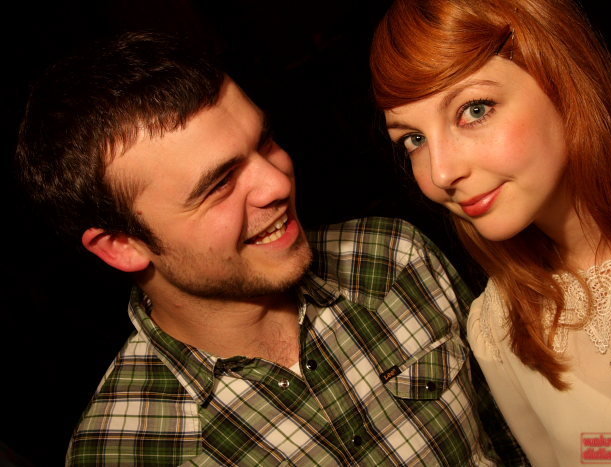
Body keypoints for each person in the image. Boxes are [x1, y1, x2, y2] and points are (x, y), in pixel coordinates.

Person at [14, 31, 529, 465]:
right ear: (122, 246)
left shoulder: (394, 256)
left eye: (263, 142)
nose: (277, 183)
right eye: (219, 184)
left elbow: (512, 435)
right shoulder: (124, 452)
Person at [370, 0, 611, 465]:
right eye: (414, 139)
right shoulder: (497, 328)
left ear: (566, 77)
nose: (440, 173)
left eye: (474, 110)